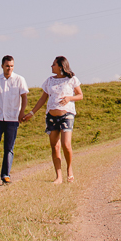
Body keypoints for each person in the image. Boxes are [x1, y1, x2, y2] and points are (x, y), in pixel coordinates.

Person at [22, 55, 82, 184]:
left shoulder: (71, 80)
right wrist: (32, 112)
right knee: (55, 146)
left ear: (61, 66)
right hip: (51, 116)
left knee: (66, 145)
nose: (51, 66)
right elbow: (43, 99)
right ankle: (58, 176)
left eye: (54, 64)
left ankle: (69, 170)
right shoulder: (49, 81)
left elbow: (80, 95)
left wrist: (69, 98)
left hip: (67, 115)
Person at [0, 55, 29, 186]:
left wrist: (22, 112)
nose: (9, 68)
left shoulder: (20, 80)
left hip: (13, 118)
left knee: (9, 147)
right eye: (7, 66)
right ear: (2, 66)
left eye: (12, 66)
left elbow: (24, 97)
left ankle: (5, 175)